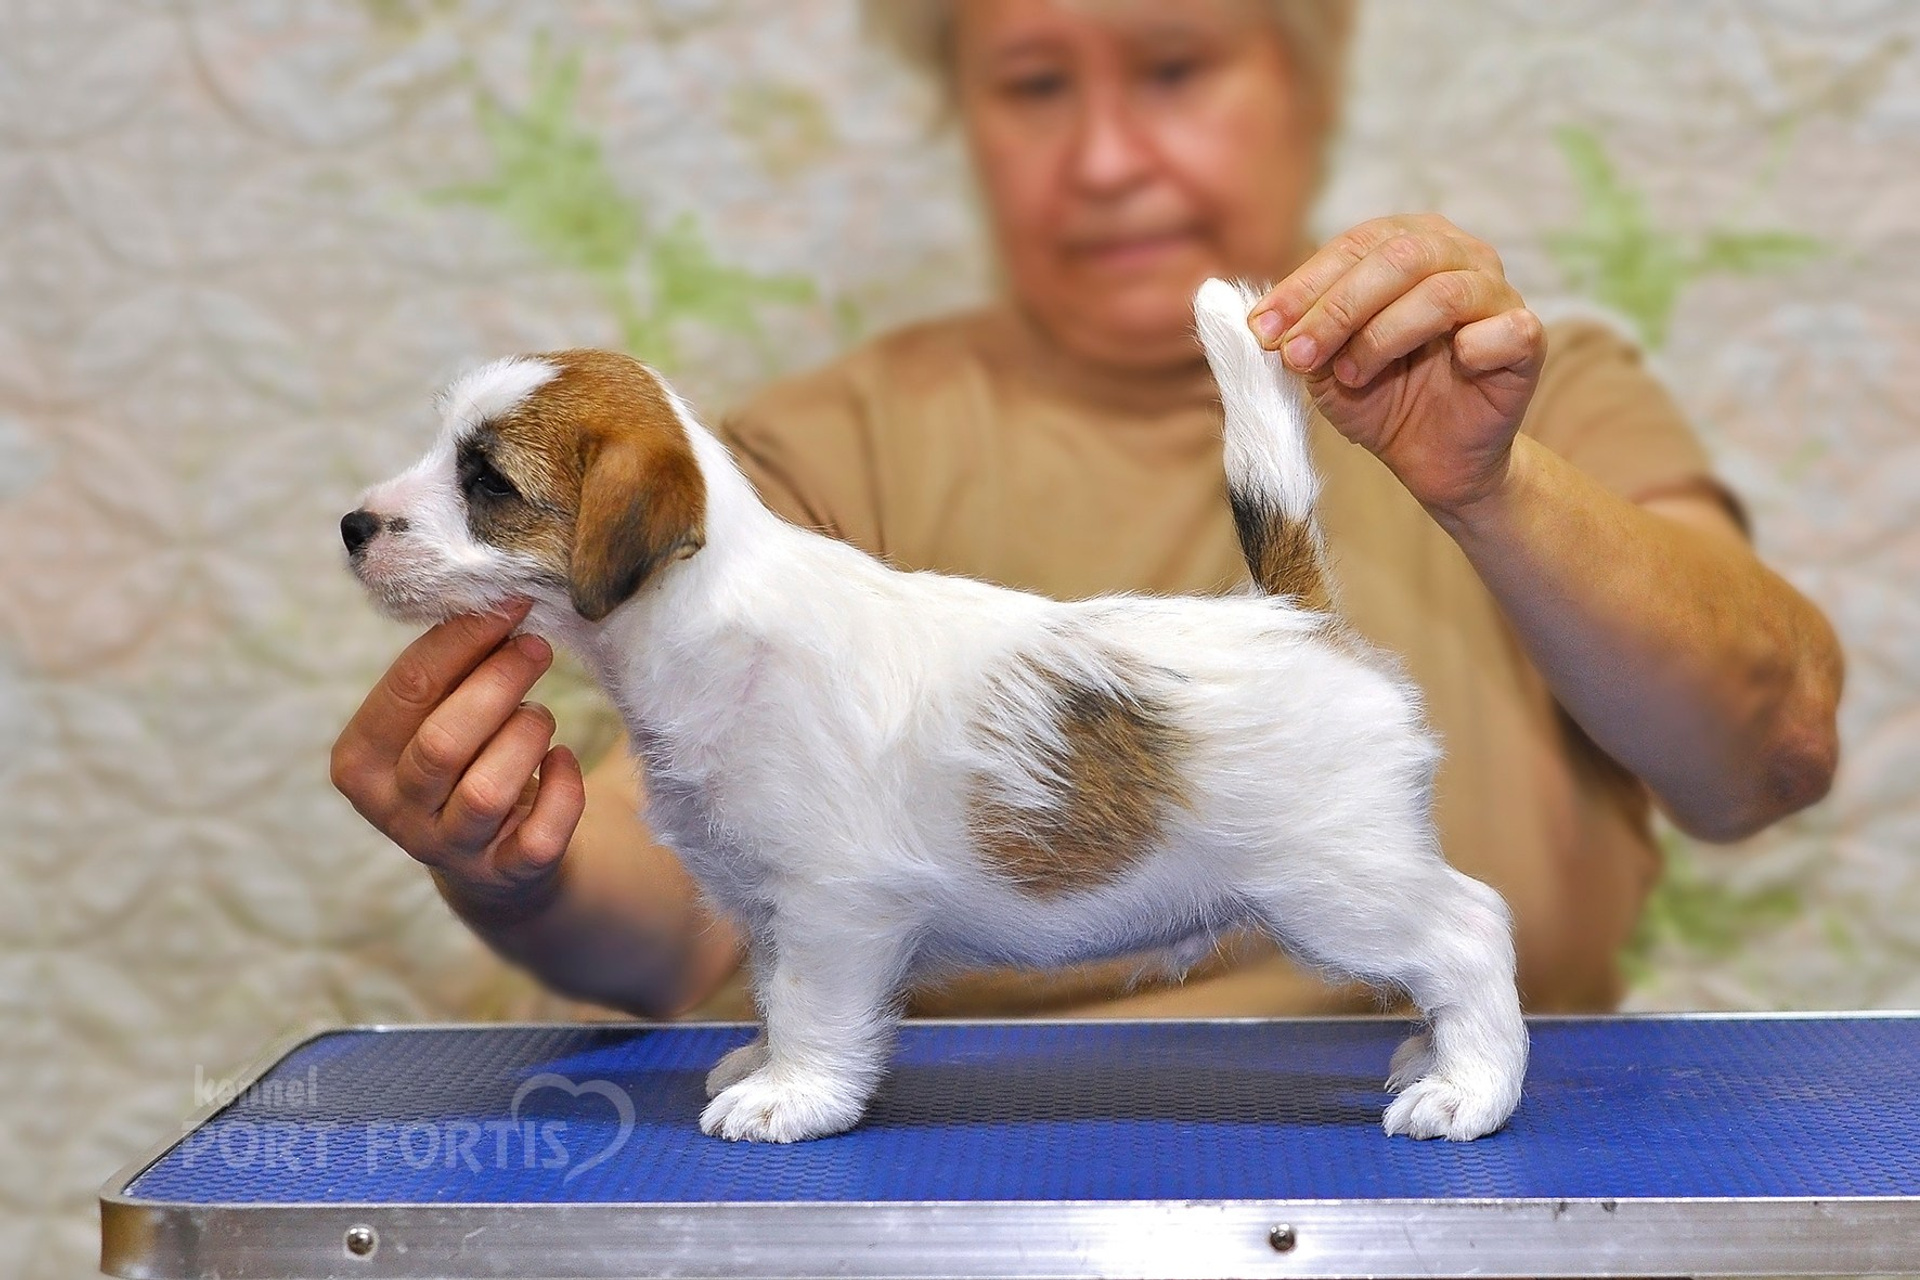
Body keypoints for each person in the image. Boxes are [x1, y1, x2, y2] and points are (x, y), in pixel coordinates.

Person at [330, 0, 1843, 1023]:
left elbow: (1770, 754)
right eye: (1036, 83)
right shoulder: (805, 451)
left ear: (1308, 83)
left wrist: (1494, 487)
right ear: (964, 118)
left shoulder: (1532, 385)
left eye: (1175, 65)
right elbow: (687, 910)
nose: (1108, 157)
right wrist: (506, 855)